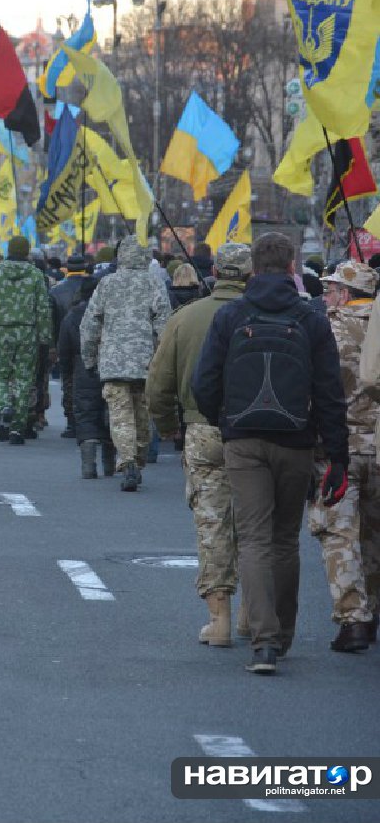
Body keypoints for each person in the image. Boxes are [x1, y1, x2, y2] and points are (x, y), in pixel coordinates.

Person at [192, 232, 349, 674]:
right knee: (284, 540)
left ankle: (261, 644)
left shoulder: (230, 316)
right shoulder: (312, 318)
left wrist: (224, 420)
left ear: (254, 269)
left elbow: (203, 382)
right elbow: (330, 392)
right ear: (294, 268)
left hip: (242, 440)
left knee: (254, 539)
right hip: (296, 440)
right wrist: (337, 457)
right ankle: (281, 636)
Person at [147, 243, 253, 647]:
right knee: (256, 524)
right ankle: (252, 615)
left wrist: (168, 425)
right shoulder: (268, 314)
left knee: (212, 524)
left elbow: (159, 382)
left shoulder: (186, 317)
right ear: (249, 274)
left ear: (214, 271)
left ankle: (219, 619)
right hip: (259, 432)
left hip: (203, 429)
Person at [308, 260, 380, 652]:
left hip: (339, 448)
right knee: (374, 535)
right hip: (378, 443)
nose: (326, 296)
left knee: (338, 531)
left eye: (331, 289)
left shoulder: (330, 329)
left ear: (347, 294)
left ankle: (353, 618)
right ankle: (373, 612)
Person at [80, 235, 171, 492]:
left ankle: (128, 461)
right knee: (143, 415)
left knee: (120, 415)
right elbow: (165, 325)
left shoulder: (107, 284)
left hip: (113, 361)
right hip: (146, 362)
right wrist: (165, 361)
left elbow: (90, 324)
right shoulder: (154, 283)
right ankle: (138, 459)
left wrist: (89, 358)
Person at [0, 235, 52, 445]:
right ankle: (17, 429)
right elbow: (43, 309)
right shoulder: (36, 275)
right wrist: (46, 339)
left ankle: (3, 409)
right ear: (26, 252)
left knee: (0, 376)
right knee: (24, 379)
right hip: (27, 333)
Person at [58, 276, 116, 479]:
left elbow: (64, 348)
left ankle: (88, 465)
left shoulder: (73, 315)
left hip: (83, 368)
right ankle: (110, 464)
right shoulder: (112, 312)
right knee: (110, 411)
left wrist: (66, 371)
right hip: (110, 366)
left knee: (86, 413)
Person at [50, 253, 89, 438]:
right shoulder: (93, 286)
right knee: (90, 384)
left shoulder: (56, 291)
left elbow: (52, 321)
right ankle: (88, 422)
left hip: (64, 339)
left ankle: (71, 422)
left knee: (68, 382)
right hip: (90, 341)